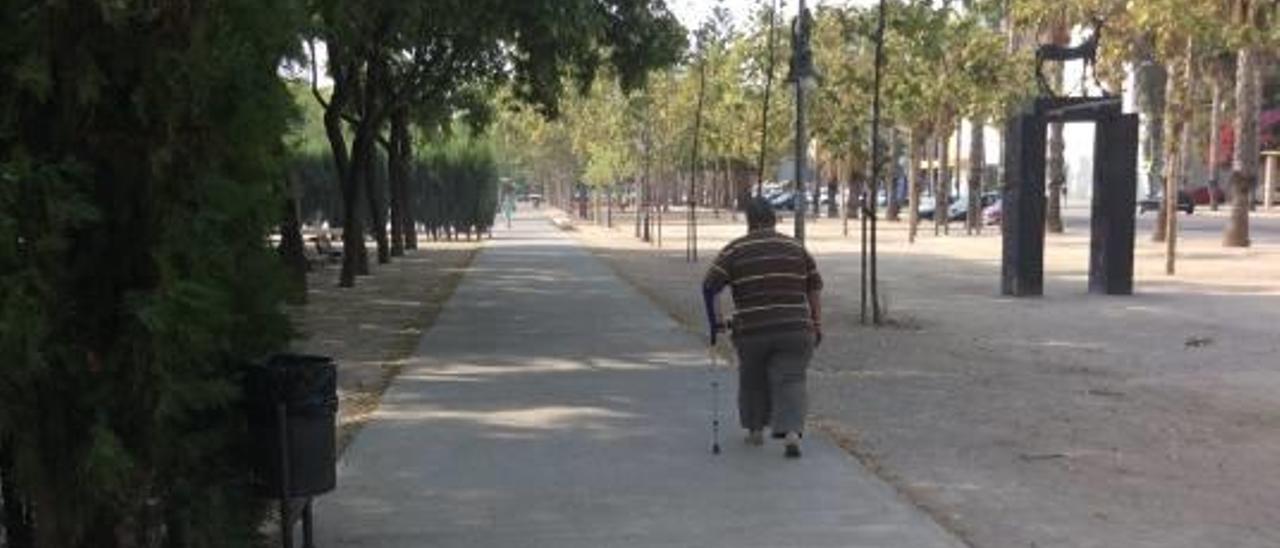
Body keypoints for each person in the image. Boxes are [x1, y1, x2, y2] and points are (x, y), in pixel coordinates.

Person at [702, 197, 823, 458]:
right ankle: (791, 433)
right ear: (774, 219)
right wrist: (816, 322)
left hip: (752, 329)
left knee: (752, 377)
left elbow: (710, 286)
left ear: (748, 221)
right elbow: (814, 286)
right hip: (795, 328)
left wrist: (717, 321)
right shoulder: (795, 247)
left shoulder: (735, 250)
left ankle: (755, 430)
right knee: (791, 378)